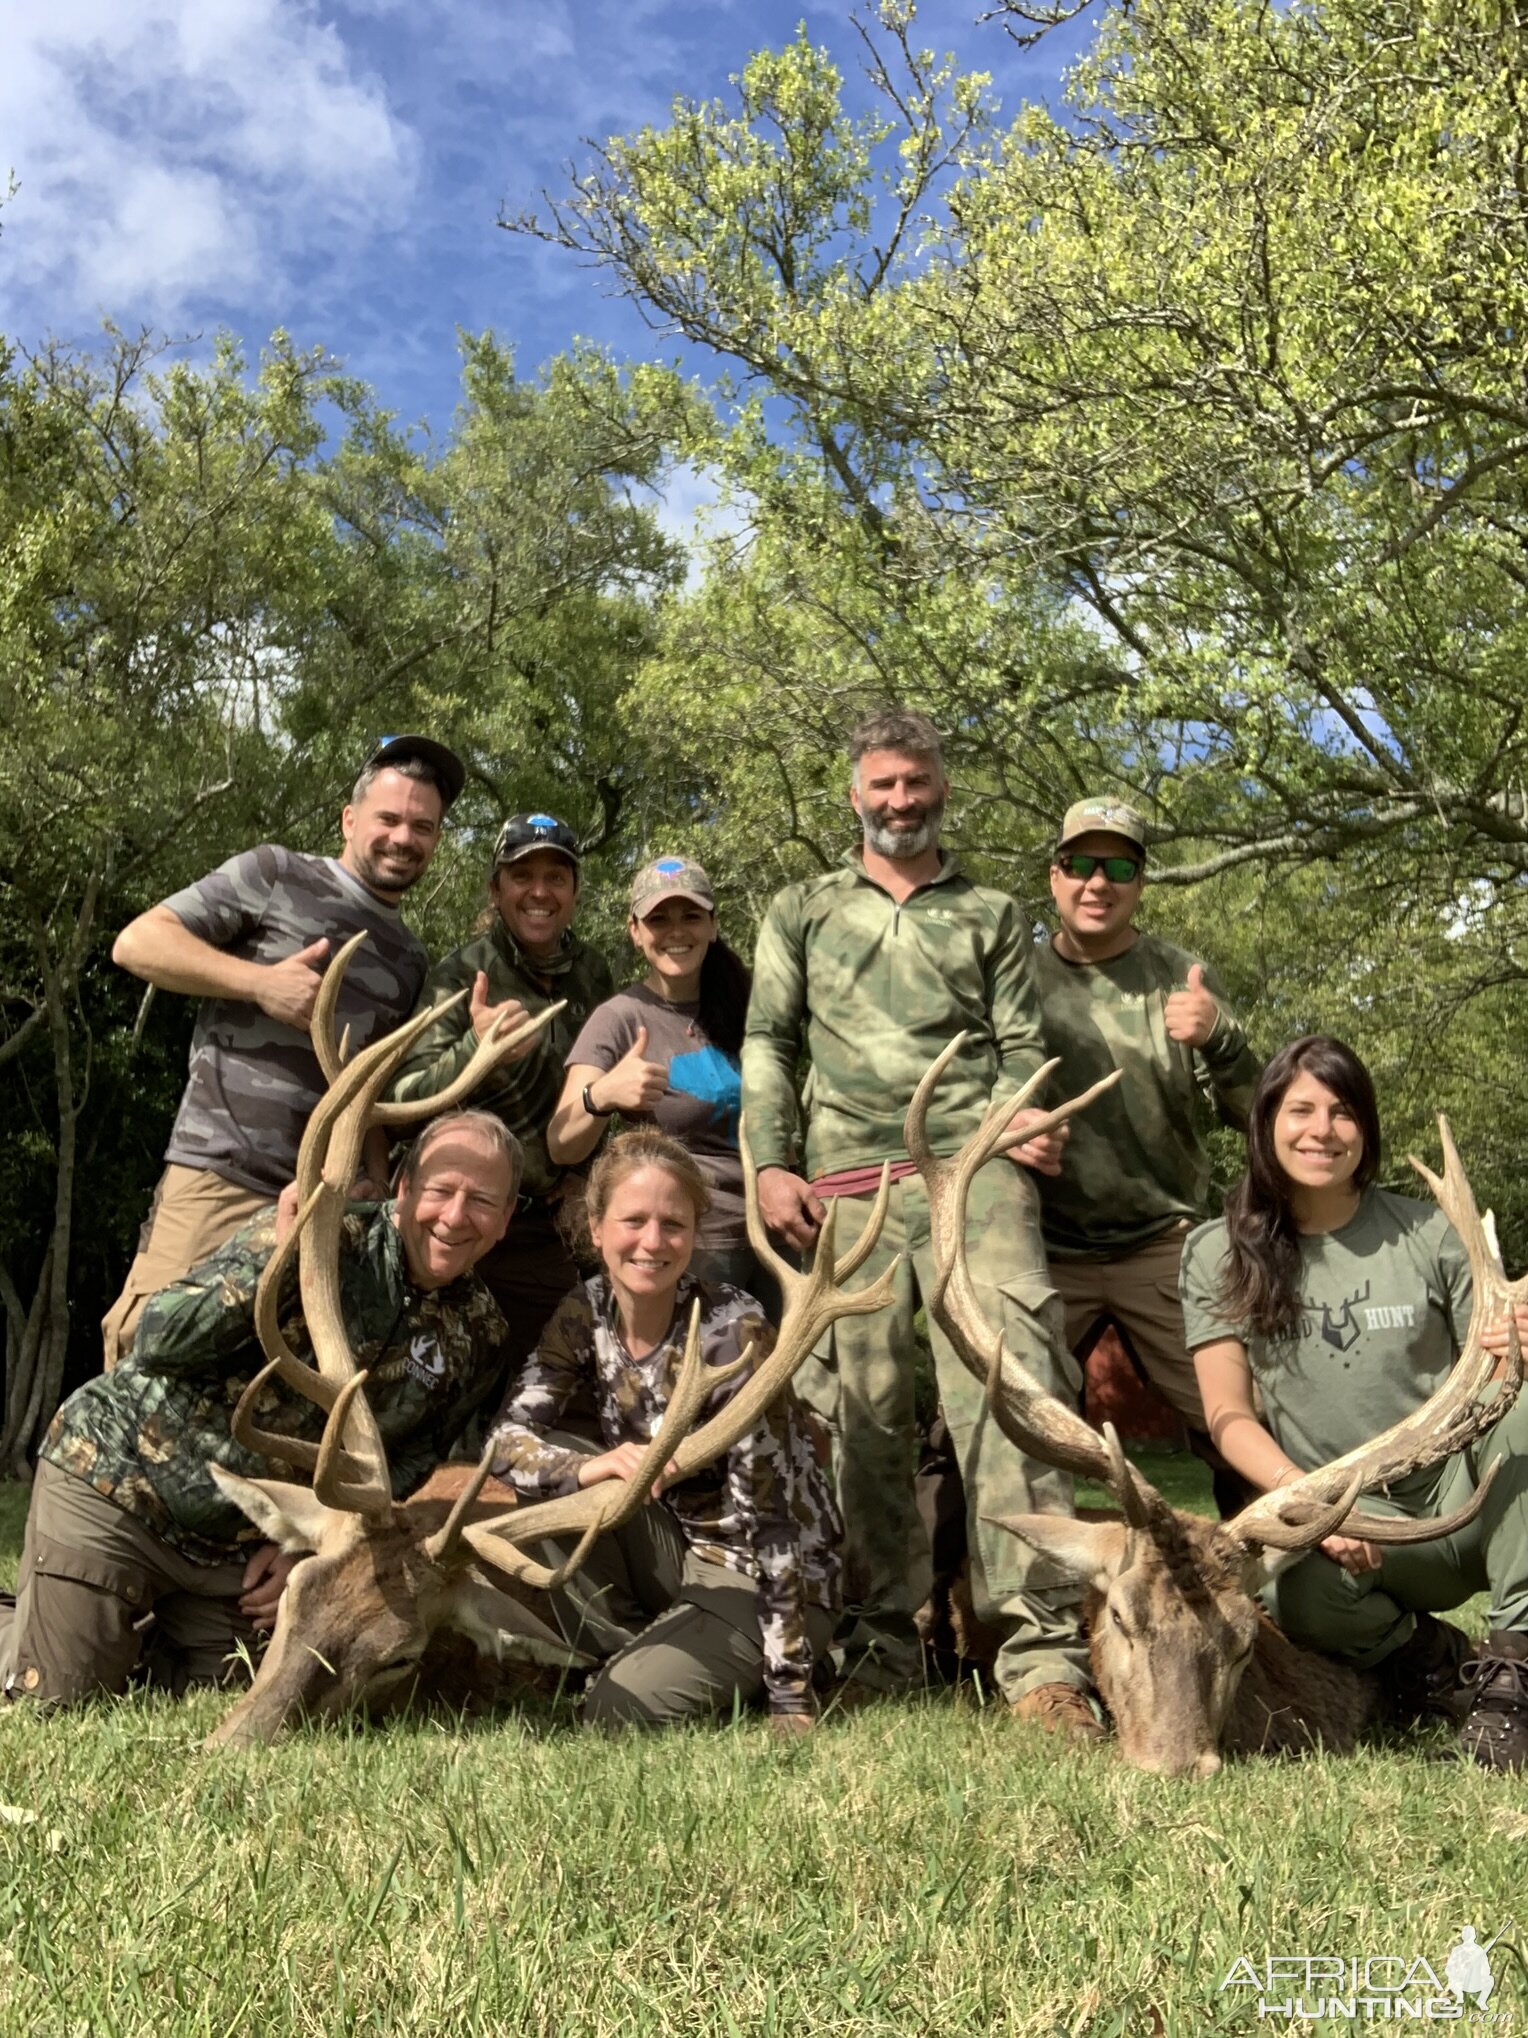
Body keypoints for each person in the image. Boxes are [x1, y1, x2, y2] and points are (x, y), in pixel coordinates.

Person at [740, 707, 1097, 1735]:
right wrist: (769, 1160)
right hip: (845, 1178)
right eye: (882, 785)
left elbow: (1023, 1041)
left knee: (1009, 1383)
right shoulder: (802, 909)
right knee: (862, 1406)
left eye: (917, 783)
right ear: (852, 794)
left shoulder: (987, 913)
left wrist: (1026, 1112)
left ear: (942, 789)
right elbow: (766, 1041)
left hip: (970, 1171)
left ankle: (1041, 1658)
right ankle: (879, 1642)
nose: (901, 800)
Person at [0, 1110, 517, 1707]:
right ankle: (47, 1625)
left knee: (239, 1697)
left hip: (237, 1552)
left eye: (481, 1200)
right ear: (403, 1187)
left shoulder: (481, 1335)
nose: (455, 1217)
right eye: (440, 1190)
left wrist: (308, 1541)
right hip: (121, 1485)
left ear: (505, 1221)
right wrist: (277, 1259)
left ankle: (98, 1623)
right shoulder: (326, 1230)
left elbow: (413, 1462)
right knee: (60, 1700)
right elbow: (158, 1340)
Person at [1180, 1036, 1528, 1770]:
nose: (1322, 1130)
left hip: (1460, 1498)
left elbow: (1497, 1378)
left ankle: (1514, 1677)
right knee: (1295, 1595)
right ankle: (1430, 1661)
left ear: (1364, 1128)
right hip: (1340, 1518)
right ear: (1265, 1122)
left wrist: (1516, 1344)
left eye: (1342, 1111)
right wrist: (1310, 1505)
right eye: (1300, 1109)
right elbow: (1226, 1416)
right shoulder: (1215, 1252)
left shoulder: (1431, 1231)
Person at [102, 734, 465, 1365]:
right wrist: (261, 983)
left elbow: (365, 1087)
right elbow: (137, 943)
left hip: (316, 1205)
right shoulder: (275, 873)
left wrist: (374, 1178)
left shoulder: (408, 958)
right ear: (350, 819)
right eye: (388, 818)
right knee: (150, 1347)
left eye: (422, 826)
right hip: (221, 1174)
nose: (403, 837)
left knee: (257, 1376)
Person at [491, 1128, 840, 1730]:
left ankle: (785, 1665)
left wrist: (790, 1698)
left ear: (694, 1234)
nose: (652, 1242)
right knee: (560, 1470)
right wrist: (589, 1468)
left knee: (611, 1716)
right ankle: (642, 1650)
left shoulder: (735, 1333)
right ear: (596, 1228)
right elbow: (504, 1444)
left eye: (672, 1225)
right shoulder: (585, 1311)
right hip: (678, 1548)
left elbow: (776, 1526)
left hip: (761, 1578)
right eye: (633, 1221)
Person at [1033, 794, 1260, 1479]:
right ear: (1054, 876)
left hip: (1164, 1244)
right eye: (1079, 863)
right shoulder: (1014, 974)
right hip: (1041, 1250)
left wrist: (1221, 1039)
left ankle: (1273, 1579)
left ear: (1141, 883)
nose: (1096, 882)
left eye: (1118, 868)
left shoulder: (1179, 973)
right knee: (987, 1420)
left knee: (1239, 1427)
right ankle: (949, 1584)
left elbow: (1258, 1118)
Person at [386, 813, 614, 1376]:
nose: (540, 891)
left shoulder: (593, 975)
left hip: (540, 1230)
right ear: (496, 888)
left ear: (575, 891)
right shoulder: (461, 974)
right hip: (453, 1222)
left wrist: (593, 1171)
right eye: (522, 875)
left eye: (556, 877)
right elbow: (402, 1102)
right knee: (428, 1383)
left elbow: (605, 1085)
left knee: (547, 1383)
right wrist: (475, 1051)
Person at [548, 856, 763, 1295]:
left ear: (712, 925)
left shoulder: (749, 1005)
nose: (676, 931)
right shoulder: (620, 1018)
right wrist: (602, 1095)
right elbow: (561, 1142)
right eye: (658, 919)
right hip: (693, 1243)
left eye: (691, 916)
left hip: (772, 1232)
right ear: (635, 931)